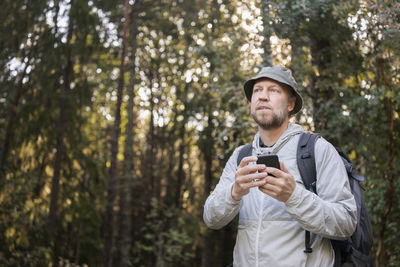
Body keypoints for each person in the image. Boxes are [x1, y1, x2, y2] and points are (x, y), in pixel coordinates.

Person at [203, 66, 357, 267]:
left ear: (291, 104)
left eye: (273, 90)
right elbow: (211, 219)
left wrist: (293, 197)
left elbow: (346, 223)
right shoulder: (240, 156)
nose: (262, 97)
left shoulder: (317, 149)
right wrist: (234, 192)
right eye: (257, 90)